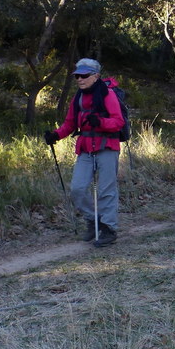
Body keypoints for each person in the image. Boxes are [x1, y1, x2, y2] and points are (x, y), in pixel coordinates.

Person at [44, 58, 124, 247]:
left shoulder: (108, 95)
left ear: (96, 76)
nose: (80, 79)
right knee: (77, 189)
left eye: (84, 75)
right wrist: (56, 135)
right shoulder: (77, 97)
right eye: (77, 75)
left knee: (106, 190)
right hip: (86, 148)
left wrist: (101, 123)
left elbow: (118, 122)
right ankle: (93, 219)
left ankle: (108, 229)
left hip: (107, 146)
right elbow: (70, 124)